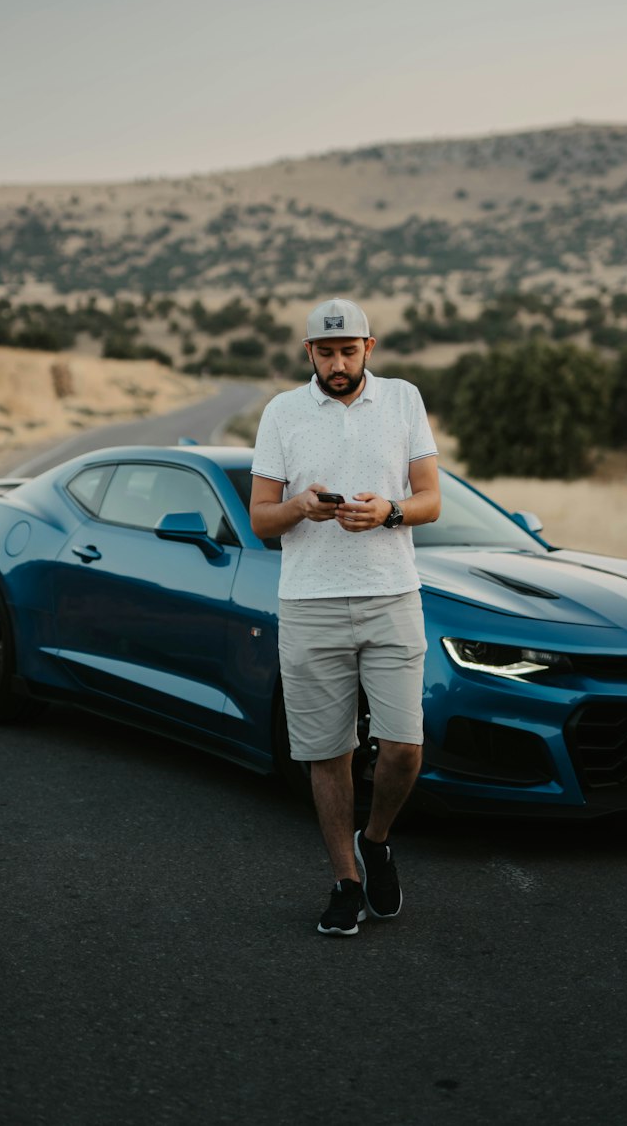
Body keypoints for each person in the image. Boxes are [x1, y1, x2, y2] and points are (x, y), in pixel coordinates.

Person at [249, 297, 441, 936]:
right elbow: (259, 516)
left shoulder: (404, 400)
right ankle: (345, 881)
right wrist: (300, 507)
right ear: (308, 353)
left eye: (348, 351)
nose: (338, 363)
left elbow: (431, 500)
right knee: (327, 753)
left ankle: (377, 837)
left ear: (369, 347)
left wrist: (388, 511)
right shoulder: (281, 413)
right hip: (310, 603)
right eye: (326, 352)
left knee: (405, 748)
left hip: (392, 595)